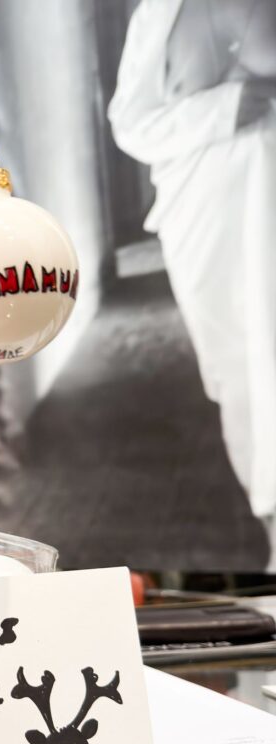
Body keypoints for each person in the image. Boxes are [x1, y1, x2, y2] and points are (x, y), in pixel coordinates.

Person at [109, 0, 276, 556]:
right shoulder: (157, 13)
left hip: (266, 182)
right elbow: (130, 125)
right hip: (205, 205)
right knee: (239, 368)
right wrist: (226, 108)